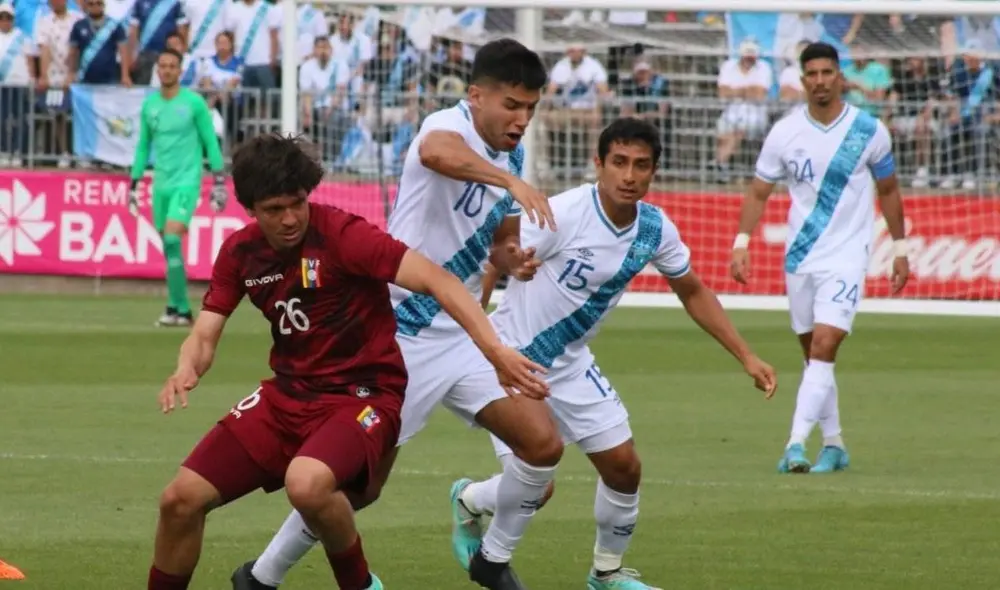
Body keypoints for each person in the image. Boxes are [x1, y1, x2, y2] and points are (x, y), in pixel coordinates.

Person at [147, 133, 548, 590]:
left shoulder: (344, 235)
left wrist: (494, 350)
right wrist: (187, 367)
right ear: (251, 209)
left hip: (363, 394)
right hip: (289, 394)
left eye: (297, 203)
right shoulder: (240, 253)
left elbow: (439, 280)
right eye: (274, 209)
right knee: (178, 500)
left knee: (307, 484)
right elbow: (205, 331)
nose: (290, 218)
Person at [232, 37, 556, 590]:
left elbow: (499, 239)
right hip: (399, 332)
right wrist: (509, 179)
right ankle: (261, 578)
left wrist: (510, 257)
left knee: (542, 447)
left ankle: (489, 552)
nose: (521, 118)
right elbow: (438, 155)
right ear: (477, 96)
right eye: (512, 105)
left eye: (530, 107)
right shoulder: (442, 128)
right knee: (359, 488)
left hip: (461, 332)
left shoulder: (511, 153)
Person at [453, 118, 778, 590]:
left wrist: (746, 356)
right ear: (598, 165)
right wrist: (481, 338)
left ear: (654, 172)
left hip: (571, 364)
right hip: (514, 359)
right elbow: (494, 259)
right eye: (619, 163)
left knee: (625, 467)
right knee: (539, 486)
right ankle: (472, 505)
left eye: (641, 166)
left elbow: (692, 291)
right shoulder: (561, 213)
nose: (629, 175)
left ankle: (605, 572)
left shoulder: (654, 229)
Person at [731, 42, 910, 474]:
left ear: (840, 77)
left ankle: (795, 443)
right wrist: (741, 242)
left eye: (827, 73)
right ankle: (834, 443)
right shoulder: (785, 132)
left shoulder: (869, 131)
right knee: (814, 354)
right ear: (802, 79)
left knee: (827, 345)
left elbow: (888, 191)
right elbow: (759, 191)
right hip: (801, 255)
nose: (820, 81)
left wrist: (901, 249)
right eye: (811, 74)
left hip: (848, 255)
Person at [128, 47, 226, 328]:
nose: (167, 70)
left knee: (172, 239)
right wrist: (134, 182)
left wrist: (218, 179)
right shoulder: (150, 106)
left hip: (187, 182)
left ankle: (180, 309)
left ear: (181, 71)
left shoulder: (194, 103)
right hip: (161, 184)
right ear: (157, 70)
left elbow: (210, 141)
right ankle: (178, 308)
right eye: (163, 65)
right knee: (169, 248)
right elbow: (143, 145)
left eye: (172, 66)